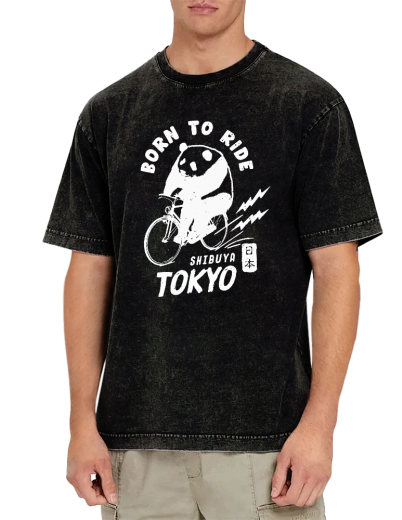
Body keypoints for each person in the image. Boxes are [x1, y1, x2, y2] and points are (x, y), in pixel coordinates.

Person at [42, 1, 383, 518]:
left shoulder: (308, 106)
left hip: (269, 451)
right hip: (135, 452)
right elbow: (89, 270)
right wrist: (79, 424)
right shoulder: (109, 114)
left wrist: (320, 425)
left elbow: (338, 272)